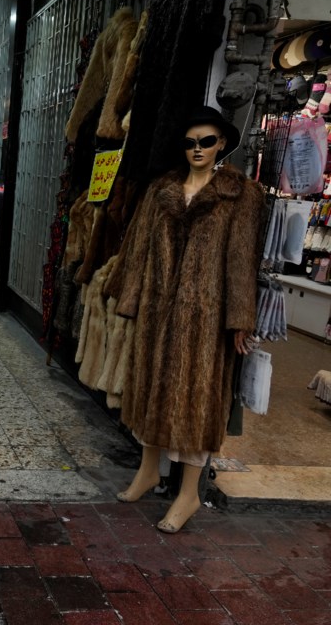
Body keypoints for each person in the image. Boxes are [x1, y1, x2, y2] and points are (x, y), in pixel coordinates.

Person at [103, 106, 264, 533]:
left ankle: (189, 493)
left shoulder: (240, 195)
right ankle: (148, 470)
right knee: (150, 391)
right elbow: (137, 248)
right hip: (158, 312)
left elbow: (242, 262)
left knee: (195, 403)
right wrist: (130, 301)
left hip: (205, 320)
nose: (197, 149)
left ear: (222, 144)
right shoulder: (162, 188)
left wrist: (240, 320)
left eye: (206, 141)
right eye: (191, 142)